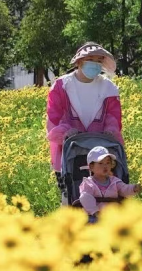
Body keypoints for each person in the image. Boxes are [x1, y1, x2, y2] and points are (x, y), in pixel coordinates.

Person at [46, 42, 125, 202]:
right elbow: (53, 118)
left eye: (98, 60)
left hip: (103, 153)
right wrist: (65, 132)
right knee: (70, 194)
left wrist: (110, 130)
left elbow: (113, 116)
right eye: (90, 59)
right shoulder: (61, 86)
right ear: (79, 61)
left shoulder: (108, 87)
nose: (94, 64)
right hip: (69, 152)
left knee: (106, 195)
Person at [78, 146, 142, 222]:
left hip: (114, 215)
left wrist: (133, 188)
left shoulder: (114, 181)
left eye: (108, 163)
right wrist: (95, 211)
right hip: (95, 216)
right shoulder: (88, 183)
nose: (105, 166)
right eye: (101, 163)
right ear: (91, 167)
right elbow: (86, 198)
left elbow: (124, 189)